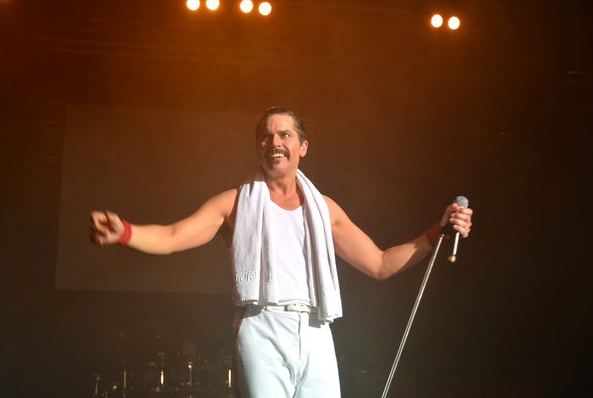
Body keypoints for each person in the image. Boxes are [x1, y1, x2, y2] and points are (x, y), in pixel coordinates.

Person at [91, 107, 473, 398]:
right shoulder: (234, 203)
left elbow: (380, 264)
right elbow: (173, 236)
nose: (274, 141)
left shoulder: (325, 209)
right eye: (265, 136)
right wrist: (125, 232)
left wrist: (436, 232)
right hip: (262, 326)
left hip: (316, 329)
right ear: (258, 148)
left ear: (302, 147)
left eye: (284, 134)